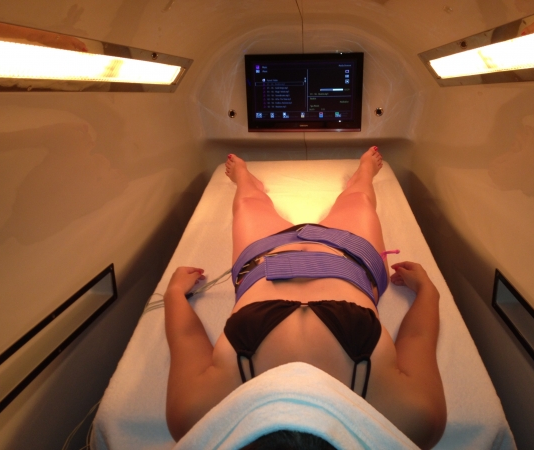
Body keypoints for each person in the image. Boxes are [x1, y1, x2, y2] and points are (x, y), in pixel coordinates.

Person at [164, 147, 447, 449]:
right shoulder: (414, 421)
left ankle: (245, 179)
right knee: (359, 199)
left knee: (247, 202)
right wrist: (427, 292)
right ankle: (364, 172)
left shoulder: (199, 419)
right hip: (349, 258)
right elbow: (417, 338)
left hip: (264, 259)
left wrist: (175, 295)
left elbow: (186, 337)